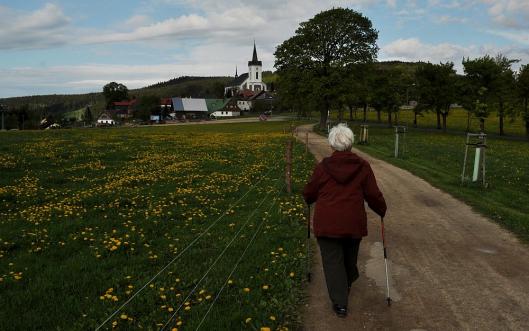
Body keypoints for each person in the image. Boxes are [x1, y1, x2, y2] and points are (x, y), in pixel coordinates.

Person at [303, 123, 387, 318]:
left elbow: (310, 191)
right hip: (353, 223)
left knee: (333, 263)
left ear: (332, 145)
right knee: (349, 258)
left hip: (327, 224)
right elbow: (373, 195)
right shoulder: (363, 166)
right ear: (350, 144)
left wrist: (308, 198)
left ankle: (340, 300)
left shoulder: (323, 167)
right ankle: (344, 289)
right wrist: (381, 209)